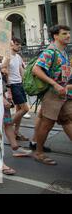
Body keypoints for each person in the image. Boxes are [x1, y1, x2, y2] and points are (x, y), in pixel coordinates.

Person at [32, 25, 72, 165]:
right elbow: (36, 69)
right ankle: (38, 152)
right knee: (47, 125)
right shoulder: (50, 52)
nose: (68, 35)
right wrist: (54, 84)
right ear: (55, 36)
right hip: (52, 94)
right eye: (64, 33)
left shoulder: (64, 52)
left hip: (64, 93)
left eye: (68, 33)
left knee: (68, 119)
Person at [2, 38, 31, 141]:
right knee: (25, 109)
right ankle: (7, 126)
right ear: (11, 45)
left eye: (20, 44)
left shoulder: (18, 56)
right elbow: (3, 68)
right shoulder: (8, 56)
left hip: (19, 84)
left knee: (19, 109)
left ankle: (16, 132)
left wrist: (26, 82)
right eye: (17, 44)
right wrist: (8, 84)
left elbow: (20, 70)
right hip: (13, 85)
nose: (19, 46)